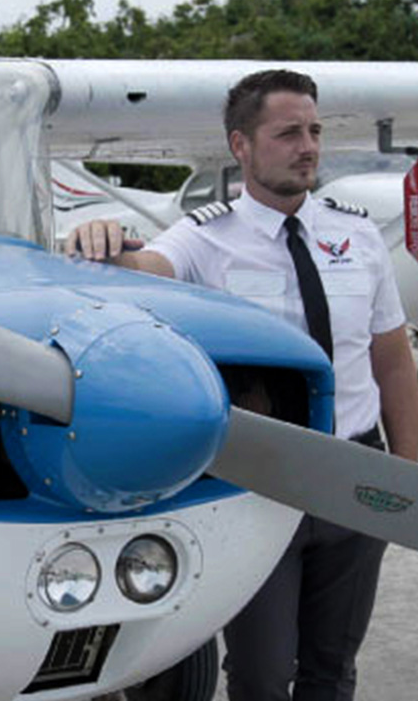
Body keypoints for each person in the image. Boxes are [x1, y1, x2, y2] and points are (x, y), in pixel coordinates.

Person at [64, 68, 418, 701]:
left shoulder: (359, 236)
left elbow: (391, 359)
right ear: (241, 146)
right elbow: (144, 267)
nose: (308, 147)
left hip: (355, 472)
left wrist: (408, 471)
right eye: (288, 134)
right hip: (261, 481)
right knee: (260, 673)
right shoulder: (206, 239)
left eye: (314, 131)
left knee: (333, 668)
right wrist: (102, 242)